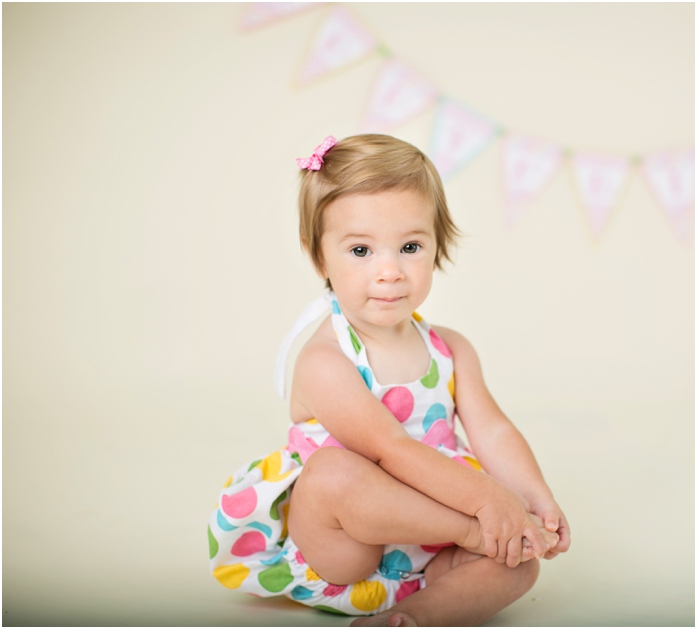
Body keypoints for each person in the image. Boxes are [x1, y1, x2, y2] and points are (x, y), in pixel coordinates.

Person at [208, 134, 571, 626]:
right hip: (346, 549)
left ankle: (413, 616)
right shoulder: (326, 360)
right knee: (336, 472)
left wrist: (536, 501)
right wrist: (484, 509)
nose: (390, 271)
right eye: (360, 250)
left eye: (409, 247)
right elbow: (390, 449)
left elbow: (494, 431)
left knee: (519, 568)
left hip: (429, 545)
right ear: (319, 257)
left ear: (437, 245)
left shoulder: (452, 348)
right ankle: (471, 535)